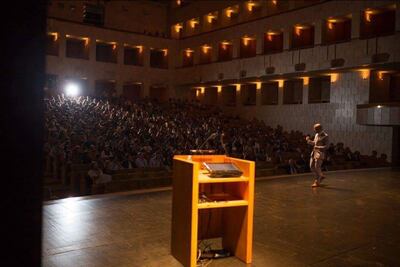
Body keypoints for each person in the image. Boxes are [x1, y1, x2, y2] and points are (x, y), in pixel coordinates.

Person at [306, 123, 328, 187]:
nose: (314, 130)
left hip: (320, 153)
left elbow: (327, 146)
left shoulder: (325, 136)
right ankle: (320, 175)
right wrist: (309, 140)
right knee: (311, 166)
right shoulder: (316, 135)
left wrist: (318, 147)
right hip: (314, 152)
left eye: (315, 129)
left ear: (319, 129)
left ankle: (317, 181)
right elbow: (314, 143)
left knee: (317, 167)